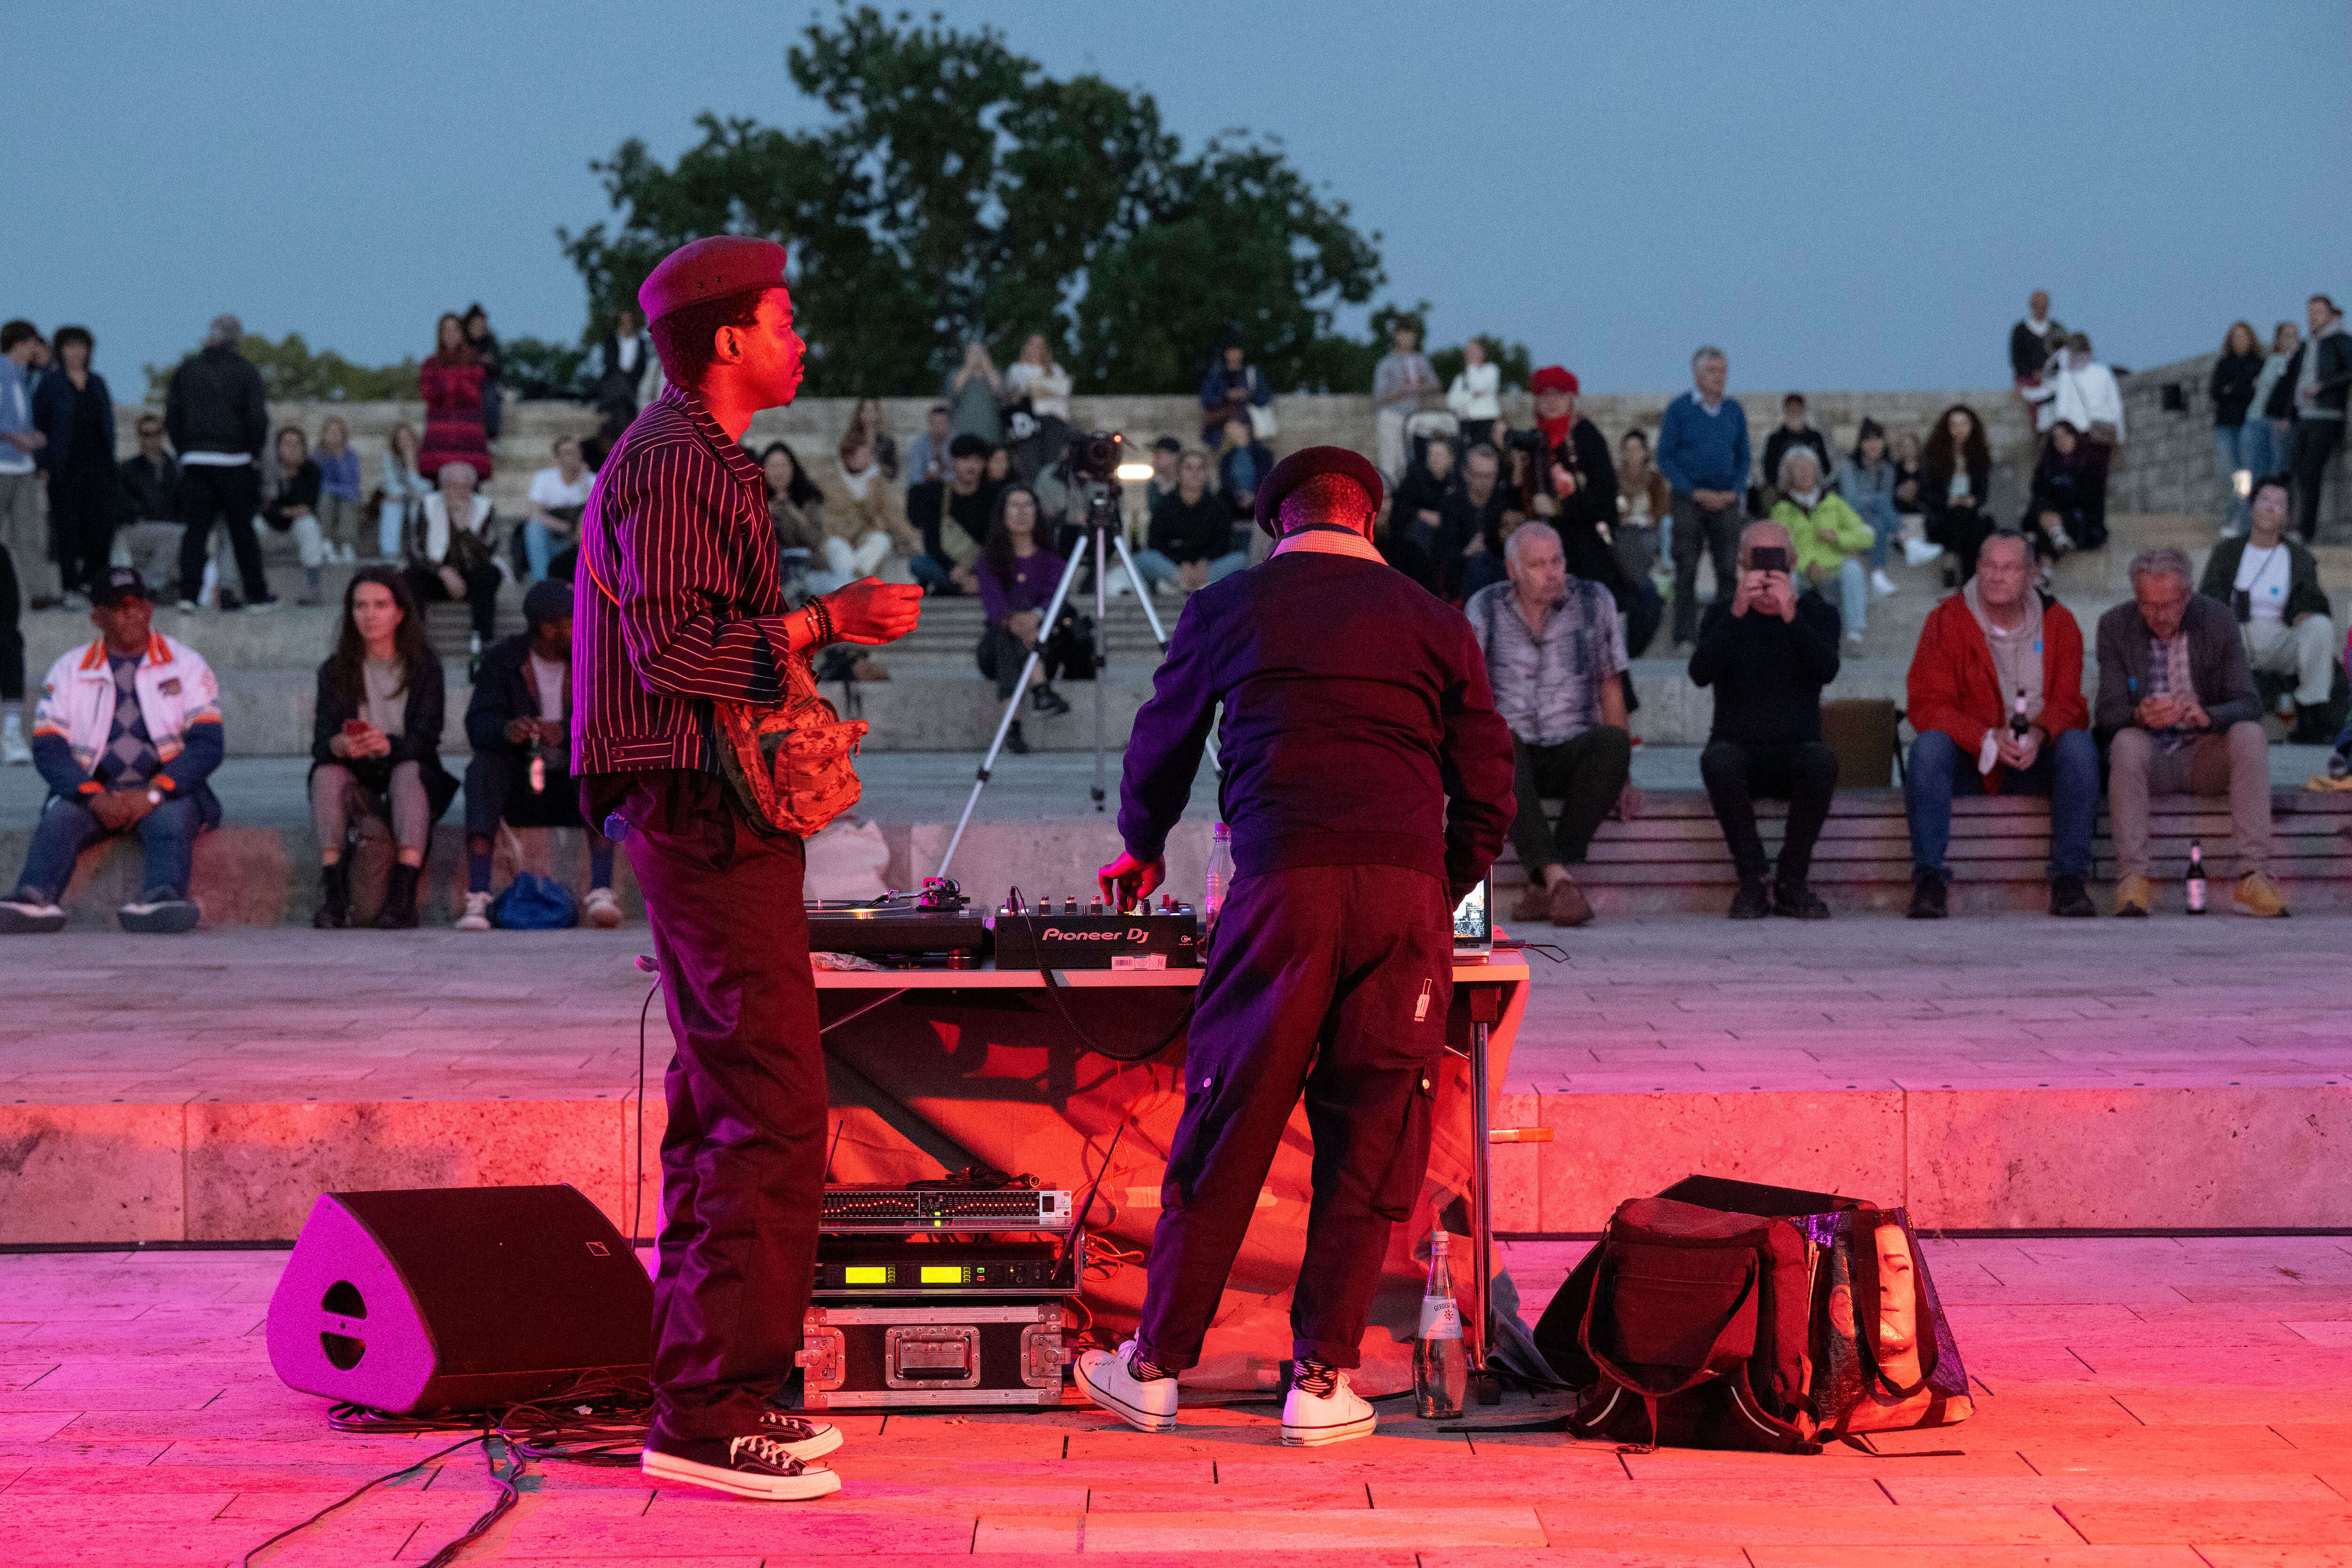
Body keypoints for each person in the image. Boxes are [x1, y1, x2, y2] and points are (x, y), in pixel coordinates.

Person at [572, 234, 922, 1500]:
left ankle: (715, 1384)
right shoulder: (673, 464)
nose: (799, 337)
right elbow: (676, 651)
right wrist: (835, 620)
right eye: (783, 317)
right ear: (727, 341)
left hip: (717, 811)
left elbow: (700, 638)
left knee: (728, 1103)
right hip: (699, 812)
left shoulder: (697, 457)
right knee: (774, 1104)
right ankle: (712, 1406)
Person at [1086, 445, 1512, 1449]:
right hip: (1404, 903)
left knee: (1229, 1121)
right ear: (1368, 520)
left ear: (1278, 522)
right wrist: (1431, 883)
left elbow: (1164, 739)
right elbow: (1491, 778)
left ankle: (1152, 1368)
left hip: (1281, 891)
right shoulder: (1434, 620)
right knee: (1370, 1136)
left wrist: (1140, 846)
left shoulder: (1231, 605)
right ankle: (1323, 1380)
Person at [0, 567, 221, 934]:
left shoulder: (187, 664)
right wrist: (93, 796)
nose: (132, 614)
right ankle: (34, 898)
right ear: (97, 618)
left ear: (150, 609)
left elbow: (208, 745)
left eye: (138, 604)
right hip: (95, 791)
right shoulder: (68, 669)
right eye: (119, 607)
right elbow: (49, 748)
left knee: (171, 819)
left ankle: (163, 899)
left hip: (167, 789)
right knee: (59, 819)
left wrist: (154, 793)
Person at [1902, 531, 2098, 920]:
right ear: (1977, 568)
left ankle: (2069, 880)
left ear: (2032, 575)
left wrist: (2040, 735)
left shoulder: (2060, 623)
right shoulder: (1947, 620)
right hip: (1974, 758)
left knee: (2078, 746)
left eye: (2009, 567)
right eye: (1989, 565)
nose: (1997, 575)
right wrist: (1986, 736)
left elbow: (2071, 704)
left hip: (2035, 757)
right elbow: (1926, 704)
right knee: (1927, 748)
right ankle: (1928, 880)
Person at [2096, 547, 2283, 917]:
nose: (2160, 615)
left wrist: (2208, 716)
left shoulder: (2217, 620)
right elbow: (2105, 714)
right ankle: (2134, 877)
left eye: (2169, 604)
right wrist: (2139, 714)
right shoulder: (2116, 625)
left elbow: (2249, 703)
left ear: (2188, 595)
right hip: (2149, 758)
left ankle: (2254, 874)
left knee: (2249, 735)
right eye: (2148, 605)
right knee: (2126, 742)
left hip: (2203, 754)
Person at [1466, 522, 1629, 928]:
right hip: (1511, 756)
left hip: (1572, 744)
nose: (1552, 572)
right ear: (1512, 570)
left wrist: (1625, 777)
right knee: (1498, 740)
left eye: (1557, 560)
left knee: (1613, 743)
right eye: (1538, 564)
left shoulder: (1594, 600)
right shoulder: (1484, 607)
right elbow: (1467, 694)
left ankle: (1545, 880)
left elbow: (1612, 685)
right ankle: (1559, 880)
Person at [1691, 520, 1841, 920]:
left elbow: (1827, 669)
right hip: (1737, 746)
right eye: (1759, 559)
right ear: (1742, 564)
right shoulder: (1723, 613)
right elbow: (1699, 672)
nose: (1770, 570)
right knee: (1718, 760)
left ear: (1792, 563)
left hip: (1795, 748)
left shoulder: (1815, 612)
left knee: (1821, 762)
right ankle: (1753, 878)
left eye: (1778, 560)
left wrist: (1792, 616)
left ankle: (1792, 880)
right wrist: (1738, 613)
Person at [458, 578, 619, 931]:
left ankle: (602, 891)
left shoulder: (593, 657)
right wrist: (508, 730)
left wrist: (566, 732)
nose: (585, 626)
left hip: (569, 778)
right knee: (483, 768)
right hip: (520, 779)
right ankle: (479, 897)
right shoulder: (503, 660)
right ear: (548, 629)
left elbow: (611, 719)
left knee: (599, 764)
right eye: (574, 620)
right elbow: (478, 723)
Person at [309, 566, 458, 931]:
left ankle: (403, 894)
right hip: (360, 778)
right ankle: (334, 892)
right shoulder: (335, 670)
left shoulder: (424, 666)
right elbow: (320, 744)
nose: (369, 615)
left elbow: (427, 738)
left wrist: (387, 745)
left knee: (408, 771)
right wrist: (340, 744)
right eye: (360, 606)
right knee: (327, 773)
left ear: (400, 613)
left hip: (411, 777)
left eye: (380, 605)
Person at [2198, 475, 2336, 742]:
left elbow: (2314, 598)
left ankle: (2309, 709)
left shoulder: (2298, 556)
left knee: (2321, 626)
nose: (2271, 508)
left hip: (2281, 636)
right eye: (2264, 501)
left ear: (2287, 516)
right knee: (2212, 628)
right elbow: (2208, 595)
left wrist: (2305, 611)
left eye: (2280, 504)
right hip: (2238, 634)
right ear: (2252, 507)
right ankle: (2220, 712)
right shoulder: (2227, 552)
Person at [166, 313, 276, 613]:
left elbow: (173, 416)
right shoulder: (246, 371)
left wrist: (185, 451)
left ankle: (189, 594)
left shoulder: (187, 370)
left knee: (196, 531)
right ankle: (255, 594)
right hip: (235, 461)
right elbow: (257, 417)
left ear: (210, 338)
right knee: (242, 531)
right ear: (237, 341)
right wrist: (253, 452)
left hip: (197, 461)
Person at [1657, 346, 1750, 649]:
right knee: (1686, 567)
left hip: (1726, 500)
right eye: (1713, 371)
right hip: (1689, 499)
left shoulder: (1735, 411)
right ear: (1697, 375)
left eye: (1723, 371)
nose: (1720, 377)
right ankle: (1685, 636)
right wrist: (1693, 491)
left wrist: (1732, 492)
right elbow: (1665, 458)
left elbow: (1744, 457)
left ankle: (1726, 635)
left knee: (1728, 569)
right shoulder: (1678, 410)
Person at [974, 485, 1073, 754]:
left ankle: (1013, 729)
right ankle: (1041, 692)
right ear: (1002, 514)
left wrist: (1035, 618)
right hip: (994, 650)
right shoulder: (989, 560)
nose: (1021, 512)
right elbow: (995, 609)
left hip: (1043, 647)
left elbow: (1055, 599)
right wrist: (1020, 625)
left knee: (1011, 643)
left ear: (1037, 512)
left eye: (1028, 505)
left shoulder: (1053, 561)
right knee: (1005, 637)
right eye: (1014, 506)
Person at [31, 325, 116, 600]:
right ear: (61, 350)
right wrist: (42, 464)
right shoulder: (51, 384)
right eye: (70, 346)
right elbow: (40, 425)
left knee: (101, 527)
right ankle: (70, 586)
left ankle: (95, 582)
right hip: (65, 467)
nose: (76, 352)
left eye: (81, 346)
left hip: (100, 468)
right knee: (66, 527)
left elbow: (108, 424)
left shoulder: (98, 383)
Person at [2023, 334, 2121, 546]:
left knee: (2095, 482)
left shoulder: (2099, 373)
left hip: (2095, 436)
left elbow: (2113, 403)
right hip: (2078, 434)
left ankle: (2092, 525)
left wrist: (2119, 434)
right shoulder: (2071, 375)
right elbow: (2062, 406)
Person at [1771, 448, 1875, 646]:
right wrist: (1807, 566)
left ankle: (1855, 635)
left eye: (1809, 467)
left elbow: (1867, 536)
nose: (1805, 472)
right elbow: (1780, 549)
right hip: (1802, 574)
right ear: (1789, 475)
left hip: (1832, 572)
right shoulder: (1782, 510)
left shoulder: (1834, 502)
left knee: (1853, 569)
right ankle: (1788, 638)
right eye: (1798, 468)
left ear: (1817, 471)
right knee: (1784, 577)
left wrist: (1837, 537)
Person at [2268, 294, 2349, 542]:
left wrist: (2322, 386)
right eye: (2310, 312)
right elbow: (2293, 382)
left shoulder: (2341, 341)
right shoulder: (2306, 346)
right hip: (2304, 418)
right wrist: (2286, 415)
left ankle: (2306, 532)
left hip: (2327, 416)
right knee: (2294, 473)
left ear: (2331, 315)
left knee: (2310, 472)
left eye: (2318, 312)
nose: (2313, 317)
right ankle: (2290, 529)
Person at [404, 461, 502, 654]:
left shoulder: (484, 507)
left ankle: (483, 640)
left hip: (471, 579)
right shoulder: (428, 505)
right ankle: (415, 640)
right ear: (442, 487)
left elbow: (488, 552)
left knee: (490, 574)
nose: (458, 492)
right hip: (437, 578)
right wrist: (442, 571)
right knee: (411, 575)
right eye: (452, 486)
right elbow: (415, 550)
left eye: (464, 486)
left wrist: (465, 530)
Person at [1134, 449, 1246, 598]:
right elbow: (1155, 542)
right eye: (1189, 468)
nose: (1195, 473)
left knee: (1241, 560)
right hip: (1175, 569)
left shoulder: (1218, 506)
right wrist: (1182, 564)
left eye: (1200, 468)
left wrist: (1204, 562)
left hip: (1207, 569)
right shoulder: (1166, 505)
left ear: (1206, 474)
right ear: (1179, 474)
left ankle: (1190, 586)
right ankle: (1189, 585)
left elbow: (1223, 543)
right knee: (1143, 558)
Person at [821, 433, 919, 589]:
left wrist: (911, 538)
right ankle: (855, 585)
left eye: (864, 454)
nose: (860, 458)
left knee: (882, 540)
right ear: (846, 456)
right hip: (839, 535)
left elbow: (891, 512)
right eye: (855, 454)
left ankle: (854, 579)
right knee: (836, 547)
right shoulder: (830, 481)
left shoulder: (878, 482)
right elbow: (827, 514)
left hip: (866, 534)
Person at [906, 432, 998, 595]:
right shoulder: (937, 494)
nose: (972, 466)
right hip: (948, 564)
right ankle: (962, 586)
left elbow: (995, 542)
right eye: (966, 460)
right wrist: (954, 570)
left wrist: (977, 574)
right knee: (919, 563)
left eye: (977, 461)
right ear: (954, 461)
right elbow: (932, 543)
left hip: (980, 564)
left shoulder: (992, 495)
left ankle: (962, 586)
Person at [1922, 403, 1995, 581]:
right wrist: (1949, 502)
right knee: (1966, 521)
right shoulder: (1934, 456)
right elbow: (1927, 493)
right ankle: (1969, 587)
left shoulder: (1979, 456)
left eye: (1963, 424)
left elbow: (1982, 494)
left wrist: (1973, 501)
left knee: (1974, 526)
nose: (1959, 430)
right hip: (1942, 516)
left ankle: (1951, 559)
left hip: (1968, 516)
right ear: (1946, 429)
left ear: (1972, 427)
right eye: (1954, 425)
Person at [417, 312, 492, 486]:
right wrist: (458, 382)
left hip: (469, 437)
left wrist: (447, 383)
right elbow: (429, 394)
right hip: (440, 438)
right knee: (439, 495)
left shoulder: (475, 362)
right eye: (446, 330)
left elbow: (474, 395)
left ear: (462, 333)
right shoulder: (430, 364)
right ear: (440, 334)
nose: (451, 334)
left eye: (455, 329)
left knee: (471, 491)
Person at [260, 425, 329, 606]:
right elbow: (262, 505)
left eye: (298, 444)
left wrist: (294, 475)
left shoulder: (311, 470)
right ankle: (251, 588)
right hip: (269, 522)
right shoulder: (268, 470)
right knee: (249, 525)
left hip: (295, 524)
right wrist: (286, 511)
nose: (293, 448)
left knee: (309, 525)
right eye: (288, 444)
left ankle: (314, 589)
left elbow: (308, 505)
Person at [1834, 418, 1902, 598]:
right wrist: (1875, 501)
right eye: (1868, 440)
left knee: (1879, 524)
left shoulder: (1888, 469)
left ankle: (1878, 576)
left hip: (1874, 519)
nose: (1873, 444)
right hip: (1851, 516)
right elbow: (1850, 501)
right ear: (1861, 444)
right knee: (1880, 502)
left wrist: (1875, 504)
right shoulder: (1849, 466)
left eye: (1878, 439)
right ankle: (1907, 540)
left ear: (1883, 442)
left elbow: (1887, 501)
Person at [114, 412, 183, 590]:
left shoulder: (176, 469)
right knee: (178, 535)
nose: (152, 439)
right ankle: (149, 586)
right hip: (138, 527)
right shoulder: (127, 469)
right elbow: (123, 503)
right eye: (147, 434)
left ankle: (150, 584)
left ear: (163, 435)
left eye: (157, 433)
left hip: (167, 527)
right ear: (139, 436)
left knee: (181, 535)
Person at [2209, 321, 2266, 538]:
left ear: (2251, 338)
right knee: (2232, 475)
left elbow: (2255, 394)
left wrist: (2232, 390)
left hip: (2249, 425)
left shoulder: (2259, 363)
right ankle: (2237, 520)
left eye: (2243, 336)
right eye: (2235, 337)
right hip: (2225, 426)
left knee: (2244, 475)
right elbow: (2216, 392)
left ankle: (2240, 522)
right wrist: (2242, 388)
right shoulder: (2224, 364)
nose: (2239, 340)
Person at [2021, 421, 2101, 564]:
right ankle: (2057, 536)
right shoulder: (2047, 465)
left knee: (2041, 532)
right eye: (2056, 438)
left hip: (2077, 518)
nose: (2061, 441)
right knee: (2041, 509)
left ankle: (2055, 538)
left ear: (2074, 437)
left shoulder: (2089, 464)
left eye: (2065, 436)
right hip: (2048, 514)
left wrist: (2059, 495)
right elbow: (2038, 493)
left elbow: (2089, 499)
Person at [1372, 320, 1438, 482]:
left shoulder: (1422, 361)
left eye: (1410, 335)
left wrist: (1419, 388)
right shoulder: (1386, 363)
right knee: (1389, 464)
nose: (1407, 339)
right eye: (1403, 334)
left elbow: (1435, 385)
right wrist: (1402, 392)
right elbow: (1379, 396)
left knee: (1410, 464)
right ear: (1396, 336)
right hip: (1392, 417)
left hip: (1415, 418)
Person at [1444, 442, 1512, 600]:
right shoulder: (1452, 504)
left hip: (1502, 570)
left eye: (1491, 476)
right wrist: (1467, 552)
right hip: (1464, 576)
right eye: (1480, 475)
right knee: (1477, 565)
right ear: (1467, 474)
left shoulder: (1503, 501)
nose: (1486, 482)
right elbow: (1444, 554)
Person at [524, 436, 595, 585]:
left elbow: (595, 516)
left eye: (577, 451)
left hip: (581, 543)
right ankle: (542, 585)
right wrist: (569, 528)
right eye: (568, 453)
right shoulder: (544, 478)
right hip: (554, 540)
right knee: (534, 528)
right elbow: (535, 515)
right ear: (558, 458)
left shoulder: (592, 480)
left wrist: (583, 479)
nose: (575, 456)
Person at [757, 439, 826, 592]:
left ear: (793, 468)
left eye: (783, 466)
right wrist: (765, 514)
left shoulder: (806, 498)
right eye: (773, 466)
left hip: (807, 569)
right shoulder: (754, 498)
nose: (778, 472)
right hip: (769, 573)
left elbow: (815, 541)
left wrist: (796, 515)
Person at [1613, 428, 1672, 587]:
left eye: (1637, 449)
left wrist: (1654, 517)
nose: (1632, 453)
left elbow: (1664, 507)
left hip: (1648, 529)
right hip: (1623, 529)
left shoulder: (1654, 479)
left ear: (1645, 453)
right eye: (1628, 449)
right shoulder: (1615, 478)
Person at [2247, 319, 2302, 485]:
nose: (2292, 340)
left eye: (2295, 336)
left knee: (2275, 468)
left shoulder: (2290, 361)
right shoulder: (2276, 360)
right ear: (2279, 339)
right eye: (2287, 336)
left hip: (2272, 419)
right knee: (2263, 470)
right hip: (2260, 419)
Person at [1199, 334, 1272, 448]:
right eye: (1231, 350)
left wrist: (1248, 396)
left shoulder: (1252, 374)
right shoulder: (1216, 375)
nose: (1234, 353)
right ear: (1225, 352)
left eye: (1237, 350)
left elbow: (1265, 398)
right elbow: (1207, 401)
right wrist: (1226, 395)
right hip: (1220, 430)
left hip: (1249, 427)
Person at [1759, 393, 1830, 512]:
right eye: (1791, 408)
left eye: (1798, 407)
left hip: (1813, 490)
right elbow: (1769, 472)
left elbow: (1826, 468)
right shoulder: (1775, 439)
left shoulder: (1816, 437)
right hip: (1784, 493)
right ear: (1785, 411)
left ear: (1803, 410)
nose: (1795, 411)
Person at [1391, 436, 1457, 562]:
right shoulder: (1414, 480)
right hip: (1419, 539)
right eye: (1431, 455)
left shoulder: (1458, 483)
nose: (1435, 459)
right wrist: (1422, 514)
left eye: (1439, 455)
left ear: (1450, 459)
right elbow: (1400, 508)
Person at [310, 414, 363, 565]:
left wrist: (340, 459)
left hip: (345, 496)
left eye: (337, 432)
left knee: (348, 500)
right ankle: (326, 542)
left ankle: (346, 545)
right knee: (327, 499)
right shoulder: (316, 456)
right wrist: (338, 490)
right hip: (325, 496)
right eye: (330, 432)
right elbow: (319, 484)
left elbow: (353, 485)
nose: (334, 436)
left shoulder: (351, 456)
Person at [591, 306, 656, 422]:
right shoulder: (612, 339)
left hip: (634, 380)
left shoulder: (641, 342)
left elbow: (641, 365)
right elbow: (609, 361)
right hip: (614, 379)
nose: (627, 326)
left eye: (630, 322)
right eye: (624, 323)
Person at [377, 422, 428, 562]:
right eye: (401, 439)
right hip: (402, 499)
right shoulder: (390, 457)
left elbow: (427, 486)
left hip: (419, 500)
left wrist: (412, 465)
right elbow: (391, 485)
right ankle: (390, 556)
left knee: (419, 503)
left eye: (408, 438)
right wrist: (408, 492)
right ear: (396, 442)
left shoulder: (424, 456)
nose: (405, 442)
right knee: (391, 503)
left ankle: (420, 550)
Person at [2009, 291, 2066, 414]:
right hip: (2028, 379)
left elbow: (2063, 357)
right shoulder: (2020, 331)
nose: (2041, 310)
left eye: (2044, 306)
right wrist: (2033, 373)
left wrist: (2049, 374)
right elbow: (2016, 358)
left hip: (2053, 379)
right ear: (2032, 306)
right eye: (2038, 306)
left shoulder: (2058, 330)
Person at [1216, 414, 1275, 531]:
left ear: (1244, 427)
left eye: (1232, 424)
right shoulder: (1227, 458)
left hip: (1258, 502)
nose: (1227, 428)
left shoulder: (1264, 455)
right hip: (1233, 503)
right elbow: (1225, 483)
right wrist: (1239, 496)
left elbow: (1266, 480)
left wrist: (1253, 496)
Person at [1446, 335, 1502, 450]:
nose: (1469, 355)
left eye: (1473, 351)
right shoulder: (1460, 378)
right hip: (1466, 423)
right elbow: (1451, 403)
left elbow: (1479, 386)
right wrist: (1472, 396)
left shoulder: (1491, 370)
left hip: (1486, 421)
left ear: (1482, 353)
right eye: (1468, 351)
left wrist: (1471, 369)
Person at [944, 340, 1003, 444]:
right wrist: (968, 367)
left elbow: (1001, 392)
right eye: (972, 352)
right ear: (965, 355)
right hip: (962, 432)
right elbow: (953, 391)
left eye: (980, 352)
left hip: (990, 432)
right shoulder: (955, 373)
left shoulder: (996, 373)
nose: (977, 356)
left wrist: (988, 367)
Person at [1004, 333, 1073, 421]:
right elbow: (1014, 394)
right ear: (1026, 347)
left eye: (1040, 346)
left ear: (1046, 349)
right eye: (1032, 345)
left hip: (1056, 415)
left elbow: (1064, 392)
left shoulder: (1056, 369)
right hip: (1029, 414)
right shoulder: (1016, 368)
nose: (1036, 349)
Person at [462, 304, 503, 443]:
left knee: (491, 398)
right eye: (476, 324)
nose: (479, 327)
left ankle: (491, 438)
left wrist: (487, 363)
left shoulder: (490, 342)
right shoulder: (463, 344)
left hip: (486, 385)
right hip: (466, 384)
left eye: (482, 324)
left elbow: (498, 368)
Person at [844, 398, 898, 480]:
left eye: (872, 410)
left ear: (878, 414)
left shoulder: (888, 442)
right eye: (865, 410)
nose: (868, 413)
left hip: (879, 485)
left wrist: (879, 468)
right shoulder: (851, 441)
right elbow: (845, 469)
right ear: (860, 414)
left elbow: (893, 473)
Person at [904, 402, 953, 486]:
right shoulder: (920, 444)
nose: (938, 427)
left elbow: (960, 475)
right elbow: (914, 475)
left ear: (948, 424)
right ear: (929, 424)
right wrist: (926, 478)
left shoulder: (956, 443)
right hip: (925, 489)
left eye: (942, 423)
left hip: (952, 489)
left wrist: (941, 478)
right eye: (934, 423)